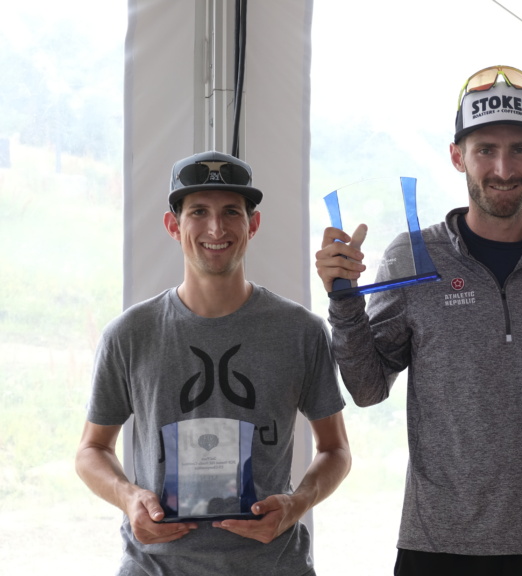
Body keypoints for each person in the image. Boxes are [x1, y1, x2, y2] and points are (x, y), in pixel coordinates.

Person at [314, 65, 522, 575]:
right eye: (485, 149)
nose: (503, 168)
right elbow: (366, 387)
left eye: (518, 149)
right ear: (457, 157)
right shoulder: (413, 255)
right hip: (436, 544)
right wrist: (343, 300)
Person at [75, 150, 352, 575]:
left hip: (274, 566)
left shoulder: (301, 331)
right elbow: (91, 450)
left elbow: (336, 450)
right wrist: (129, 497)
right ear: (174, 225)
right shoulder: (130, 334)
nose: (216, 228)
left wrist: (297, 504)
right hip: (156, 567)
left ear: (252, 224)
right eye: (198, 211)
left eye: (231, 212)